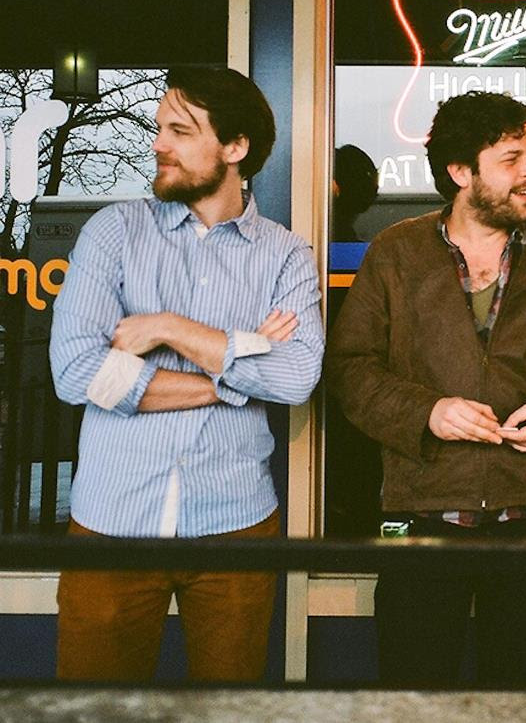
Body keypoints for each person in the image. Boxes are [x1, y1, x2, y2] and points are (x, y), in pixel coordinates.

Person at [324, 91, 526, 686]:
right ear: (461, 171)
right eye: (511, 159)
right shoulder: (396, 254)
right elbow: (350, 368)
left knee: (514, 697)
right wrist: (426, 412)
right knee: (414, 696)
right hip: (422, 516)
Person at [49, 67, 324, 682]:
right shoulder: (114, 233)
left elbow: (297, 377)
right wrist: (238, 370)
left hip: (235, 526)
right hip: (112, 523)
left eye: (180, 130)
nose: (158, 144)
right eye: (159, 128)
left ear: (236, 147)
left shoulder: (285, 255)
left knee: (228, 711)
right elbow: (77, 371)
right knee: (94, 710)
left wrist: (168, 328)